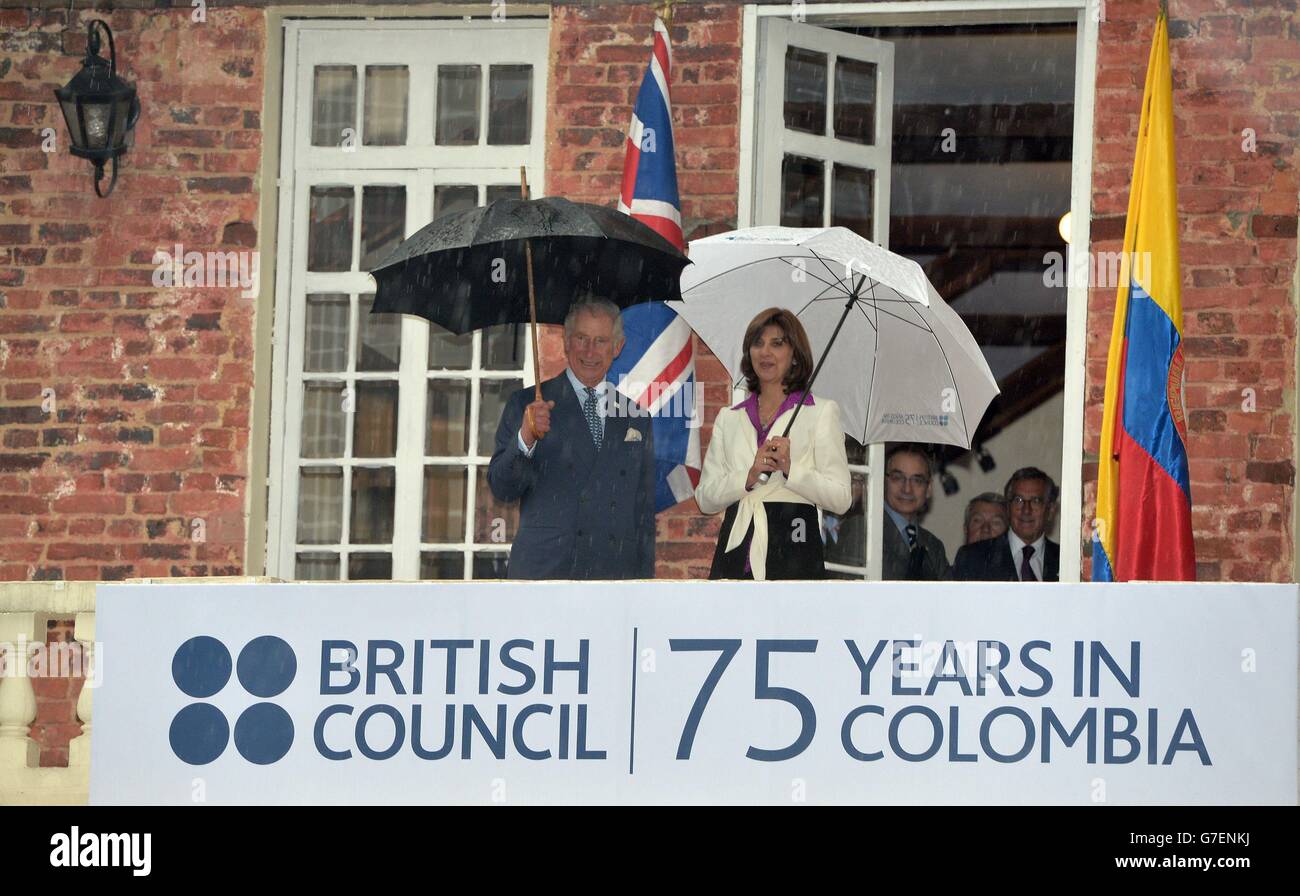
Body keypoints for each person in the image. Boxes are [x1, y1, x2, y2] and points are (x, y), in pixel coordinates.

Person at [487, 297, 656, 579]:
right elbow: (502, 488)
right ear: (566, 342)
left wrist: (643, 585)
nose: (590, 351)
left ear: (617, 347)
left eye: (601, 341)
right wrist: (526, 438)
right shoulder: (526, 403)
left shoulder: (636, 416)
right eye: (581, 338)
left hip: (614, 576)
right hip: (547, 573)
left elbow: (643, 513)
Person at [695, 308, 851, 580]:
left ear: (794, 355)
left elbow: (840, 498)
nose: (765, 352)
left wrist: (792, 470)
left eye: (777, 343)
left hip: (794, 545)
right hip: (735, 552)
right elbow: (705, 499)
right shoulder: (729, 417)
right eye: (758, 343)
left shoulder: (821, 412)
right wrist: (748, 476)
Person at [953, 467, 1060, 582]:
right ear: (1008, 508)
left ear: (1051, 511)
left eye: (1036, 501)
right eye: (1018, 500)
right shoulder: (972, 558)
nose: (1026, 510)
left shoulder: (1065, 559)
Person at [881, 443, 952, 580]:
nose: (907, 489)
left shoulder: (933, 545)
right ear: (884, 481)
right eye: (898, 477)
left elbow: (948, 598)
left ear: (929, 488)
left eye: (917, 480)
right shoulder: (863, 531)